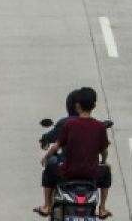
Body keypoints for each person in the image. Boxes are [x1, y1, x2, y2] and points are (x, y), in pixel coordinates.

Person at [35, 86, 111, 219]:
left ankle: (46, 206)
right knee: (107, 170)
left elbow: (55, 147)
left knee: (49, 167)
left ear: (77, 106)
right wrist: (103, 162)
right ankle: (103, 208)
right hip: (91, 174)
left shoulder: (68, 125)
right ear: (94, 106)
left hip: (68, 172)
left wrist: (45, 157)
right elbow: (104, 151)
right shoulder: (100, 127)